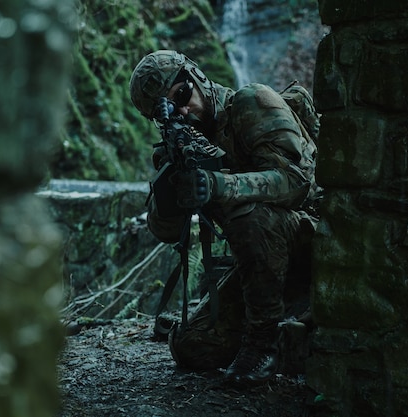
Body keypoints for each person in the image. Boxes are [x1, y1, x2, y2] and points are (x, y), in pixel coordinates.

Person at [129, 50, 320, 385]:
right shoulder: (183, 143)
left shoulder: (252, 103)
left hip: (310, 238)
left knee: (247, 212)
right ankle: (291, 318)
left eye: (183, 96)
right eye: (170, 111)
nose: (184, 111)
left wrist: (221, 185)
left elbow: (297, 182)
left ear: (198, 77)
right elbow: (167, 231)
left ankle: (265, 343)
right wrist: (171, 182)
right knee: (191, 346)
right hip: (261, 264)